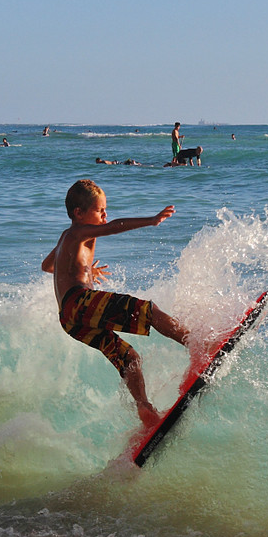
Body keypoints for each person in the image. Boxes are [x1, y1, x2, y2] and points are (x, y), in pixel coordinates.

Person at [41, 179, 190, 422]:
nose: (105, 215)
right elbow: (114, 227)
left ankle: (144, 408)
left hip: (69, 320)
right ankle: (196, 345)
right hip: (79, 303)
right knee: (148, 311)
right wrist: (151, 221)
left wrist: (84, 270)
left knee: (129, 358)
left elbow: (46, 265)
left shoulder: (66, 239)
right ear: (78, 213)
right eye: (100, 210)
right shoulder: (76, 232)